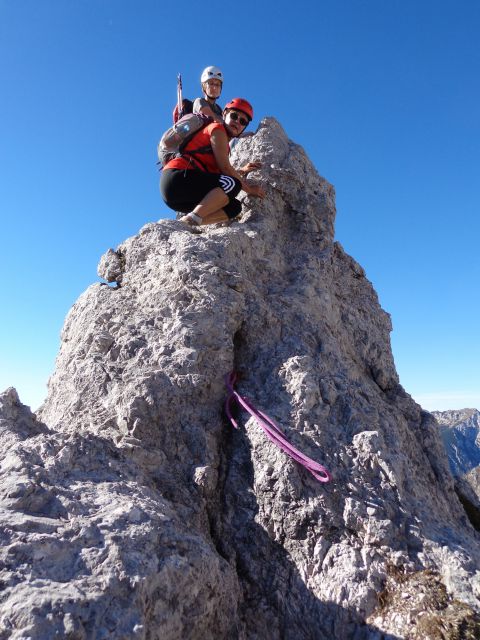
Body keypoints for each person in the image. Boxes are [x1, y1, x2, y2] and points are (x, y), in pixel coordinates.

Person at [160, 98, 265, 227]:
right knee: (232, 184)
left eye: (243, 121)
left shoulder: (224, 146)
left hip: (181, 195)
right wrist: (249, 190)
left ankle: (189, 224)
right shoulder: (217, 128)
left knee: (233, 207)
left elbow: (215, 176)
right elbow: (226, 169)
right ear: (224, 114)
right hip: (177, 178)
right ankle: (192, 219)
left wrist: (241, 171)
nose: (237, 122)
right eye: (234, 116)